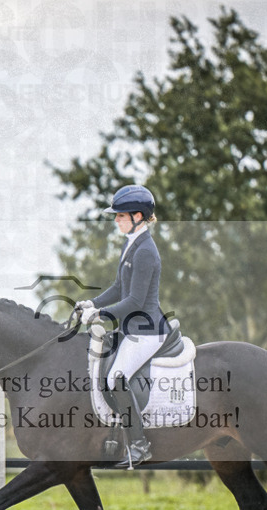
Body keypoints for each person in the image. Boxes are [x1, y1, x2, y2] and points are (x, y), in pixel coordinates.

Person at [75, 184, 171, 468]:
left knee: (116, 377)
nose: (116, 220)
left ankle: (140, 445)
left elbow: (135, 301)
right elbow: (119, 287)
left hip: (148, 330)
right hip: (132, 329)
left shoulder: (146, 251)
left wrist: (100, 314)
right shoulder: (131, 243)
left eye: (120, 215)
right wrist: (92, 303)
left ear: (138, 216)